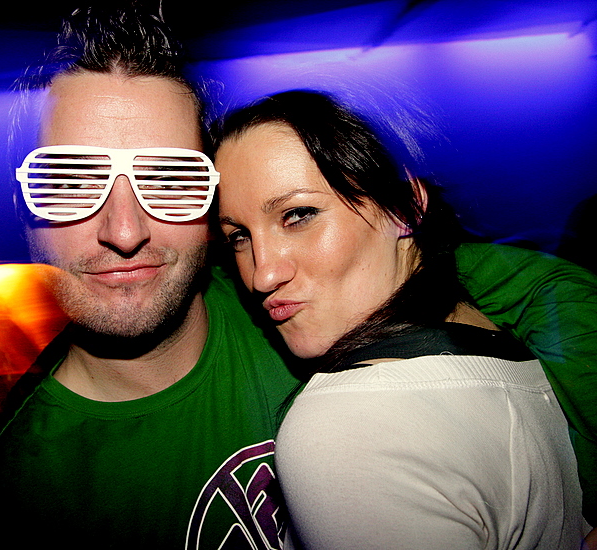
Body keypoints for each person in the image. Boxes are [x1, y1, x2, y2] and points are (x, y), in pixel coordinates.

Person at [0, 3, 597, 548]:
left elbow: (547, 287)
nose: (125, 231)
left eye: (171, 179)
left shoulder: (315, 301)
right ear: (22, 204)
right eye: (70, 179)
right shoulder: (10, 491)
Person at [212, 89, 591, 548]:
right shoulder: (505, 346)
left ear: (405, 207)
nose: (262, 274)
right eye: (238, 236)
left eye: (298, 215)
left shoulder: (347, 424)